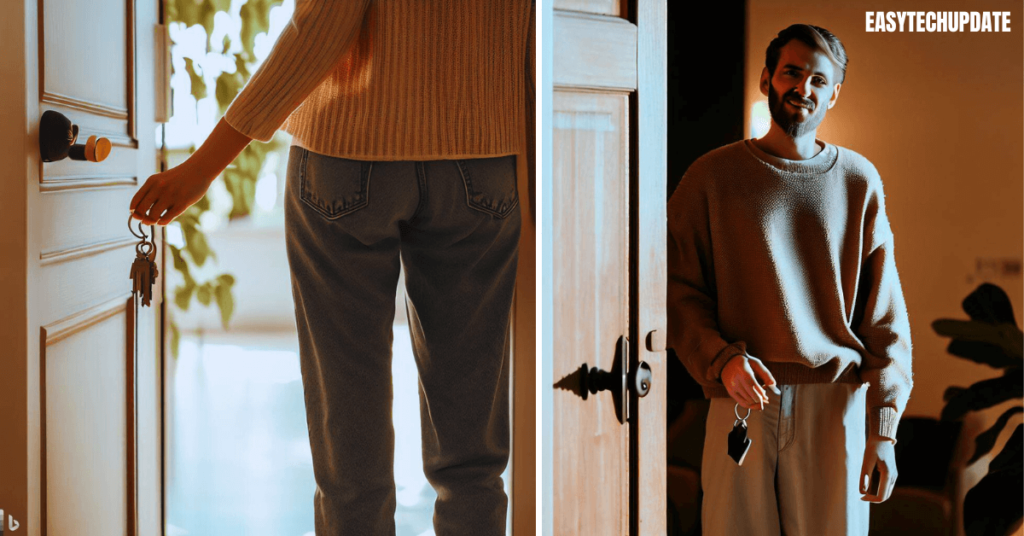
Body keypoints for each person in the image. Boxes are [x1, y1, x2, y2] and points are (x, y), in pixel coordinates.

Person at [130, 1, 534, 534]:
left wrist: (205, 166)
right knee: (472, 459)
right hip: (484, 156)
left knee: (351, 465)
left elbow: (323, 21)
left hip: (350, 154)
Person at [666, 24, 913, 535]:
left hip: (835, 407)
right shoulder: (711, 178)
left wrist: (883, 432)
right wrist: (721, 360)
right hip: (739, 398)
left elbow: (884, 318)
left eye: (819, 80)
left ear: (834, 94)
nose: (804, 87)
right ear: (766, 79)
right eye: (792, 73)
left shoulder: (858, 181)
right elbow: (674, 291)